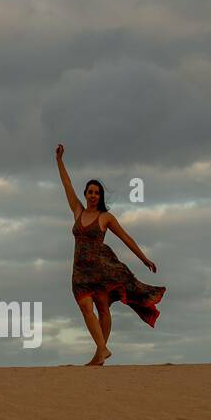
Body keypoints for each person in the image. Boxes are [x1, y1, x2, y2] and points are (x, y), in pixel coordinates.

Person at [56, 143, 165, 365]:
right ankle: (103, 349)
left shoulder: (106, 218)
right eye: (90, 192)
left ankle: (99, 356)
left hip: (101, 270)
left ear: (100, 196)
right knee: (85, 307)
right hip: (79, 272)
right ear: (85, 194)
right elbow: (66, 184)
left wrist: (144, 258)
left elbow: (126, 238)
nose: (93, 195)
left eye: (97, 192)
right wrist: (59, 161)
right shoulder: (77, 211)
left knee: (102, 308)